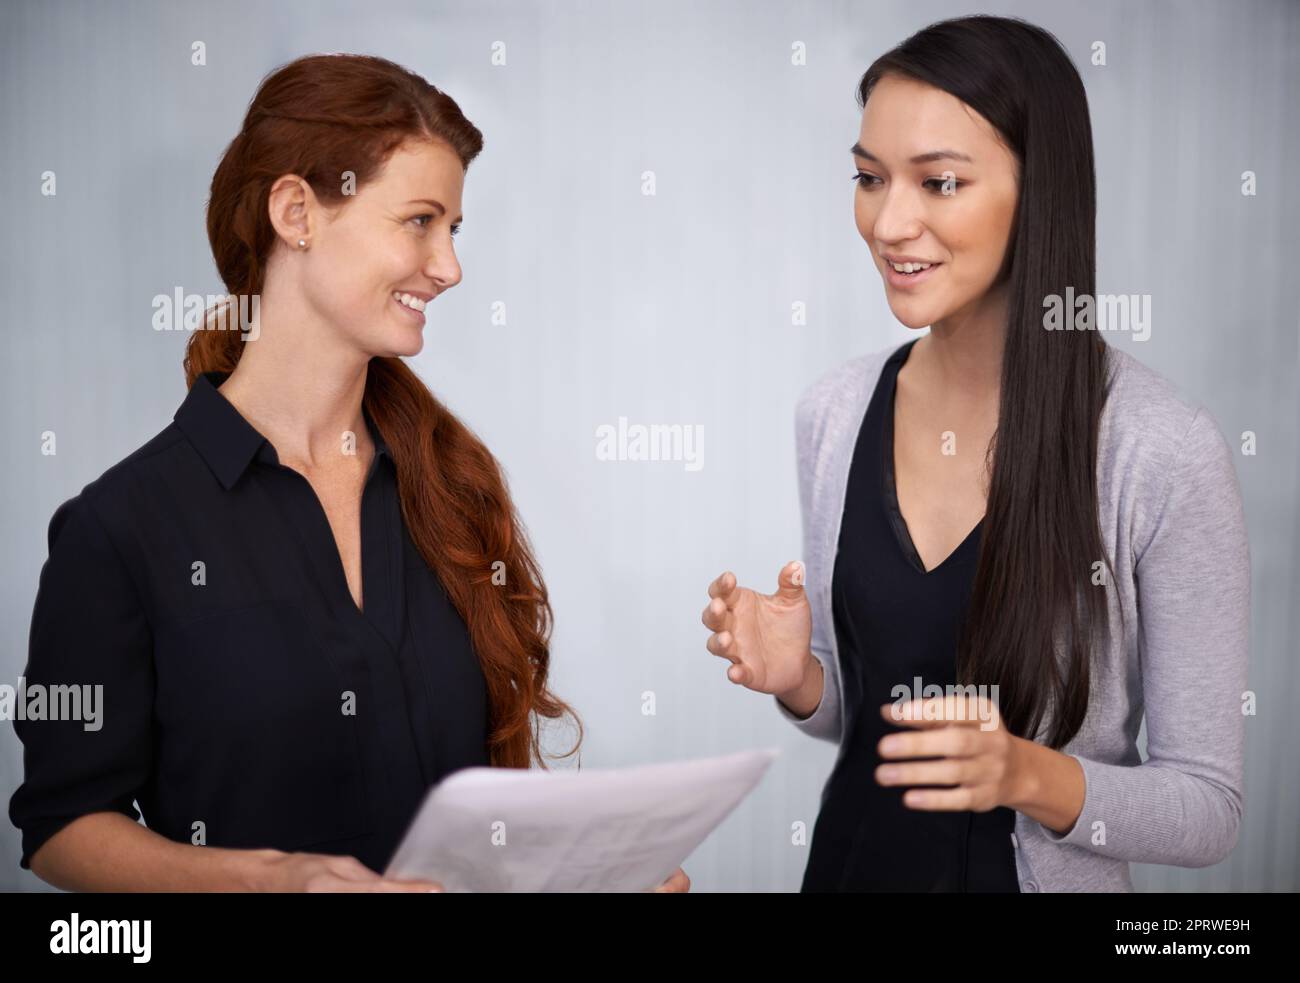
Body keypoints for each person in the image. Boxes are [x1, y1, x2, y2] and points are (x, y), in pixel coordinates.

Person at [10, 53, 688, 893]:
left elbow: (480, 816)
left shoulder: (452, 486)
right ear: (297, 211)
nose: (449, 266)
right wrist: (271, 881)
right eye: (419, 221)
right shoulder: (120, 529)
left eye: (454, 229)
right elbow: (65, 827)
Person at [701, 15, 1249, 892]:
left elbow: (1208, 804)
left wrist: (1023, 773)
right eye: (869, 178)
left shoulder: (1160, 450)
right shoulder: (834, 414)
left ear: (1041, 192)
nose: (889, 221)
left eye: (940, 182)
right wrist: (802, 677)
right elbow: (867, 718)